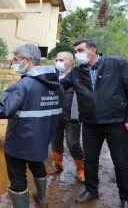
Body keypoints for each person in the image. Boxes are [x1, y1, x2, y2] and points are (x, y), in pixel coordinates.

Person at [0, 44, 63, 208]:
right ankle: (42, 199)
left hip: (20, 141)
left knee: (17, 178)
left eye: (15, 59)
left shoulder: (25, 85)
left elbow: (5, 109)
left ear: (27, 61)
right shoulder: (57, 85)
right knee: (38, 166)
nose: (12, 63)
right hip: (42, 138)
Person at [61, 40, 128, 208]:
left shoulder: (116, 64)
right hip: (91, 124)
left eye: (80, 50)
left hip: (117, 123)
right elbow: (59, 85)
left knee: (120, 161)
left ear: (93, 50)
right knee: (90, 159)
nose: (77, 54)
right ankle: (91, 190)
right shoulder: (76, 72)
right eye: (75, 51)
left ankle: (126, 197)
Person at [52, 51, 84, 182]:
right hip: (55, 114)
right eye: (57, 59)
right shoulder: (52, 74)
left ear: (71, 62)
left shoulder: (78, 75)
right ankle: (58, 165)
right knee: (55, 141)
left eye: (62, 60)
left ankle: (81, 169)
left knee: (73, 143)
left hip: (72, 116)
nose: (59, 62)